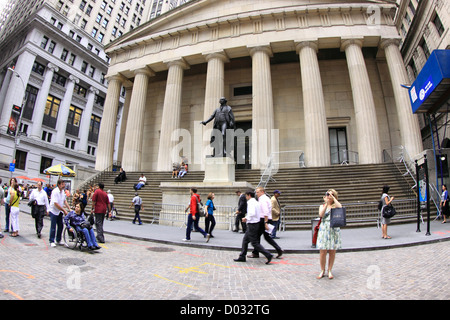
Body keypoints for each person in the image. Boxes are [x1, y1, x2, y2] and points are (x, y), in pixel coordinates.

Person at [234, 191, 273, 264]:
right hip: (255, 224)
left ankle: (268, 254)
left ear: (249, 195)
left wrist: (246, 218)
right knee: (245, 240)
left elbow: (252, 213)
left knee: (254, 243)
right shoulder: (256, 202)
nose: (245, 197)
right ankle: (242, 256)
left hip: (252, 224)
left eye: (246, 196)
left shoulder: (251, 203)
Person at [250, 187, 283, 259]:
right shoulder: (264, 198)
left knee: (257, 236)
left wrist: (265, 222)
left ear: (262, 192)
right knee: (266, 237)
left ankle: (256, 252)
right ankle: (278, 249)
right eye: (256, 192)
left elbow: (265, 211)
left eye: (258, 192)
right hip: (266, 219)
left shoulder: (263, 199)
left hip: (264, 219)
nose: (256, 193)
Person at [317, 189, 342, 280]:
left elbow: (340, 207)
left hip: (334, 229)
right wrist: (326, 203)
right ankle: (322, 270)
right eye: (327, 194)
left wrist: (334, 199)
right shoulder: (322, 206)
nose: (329, 196)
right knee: (323, 251)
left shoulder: (335, 206)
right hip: (324, 229)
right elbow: (321, 214)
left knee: (332, 251)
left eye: (331, 195)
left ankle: (330, 270)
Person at [49, 179, 70, 247]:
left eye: (64, 184)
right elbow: (55, 203)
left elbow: (64, 200)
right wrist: (64, 210)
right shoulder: (55, 191)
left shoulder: (62, 192)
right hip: (54, 211)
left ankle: (58, 239)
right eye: (62, 184)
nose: (64, 186)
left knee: (61, 225)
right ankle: (51, 240)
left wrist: (69, 208)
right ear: (59, 185)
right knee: (53, 226)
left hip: (59, 211)